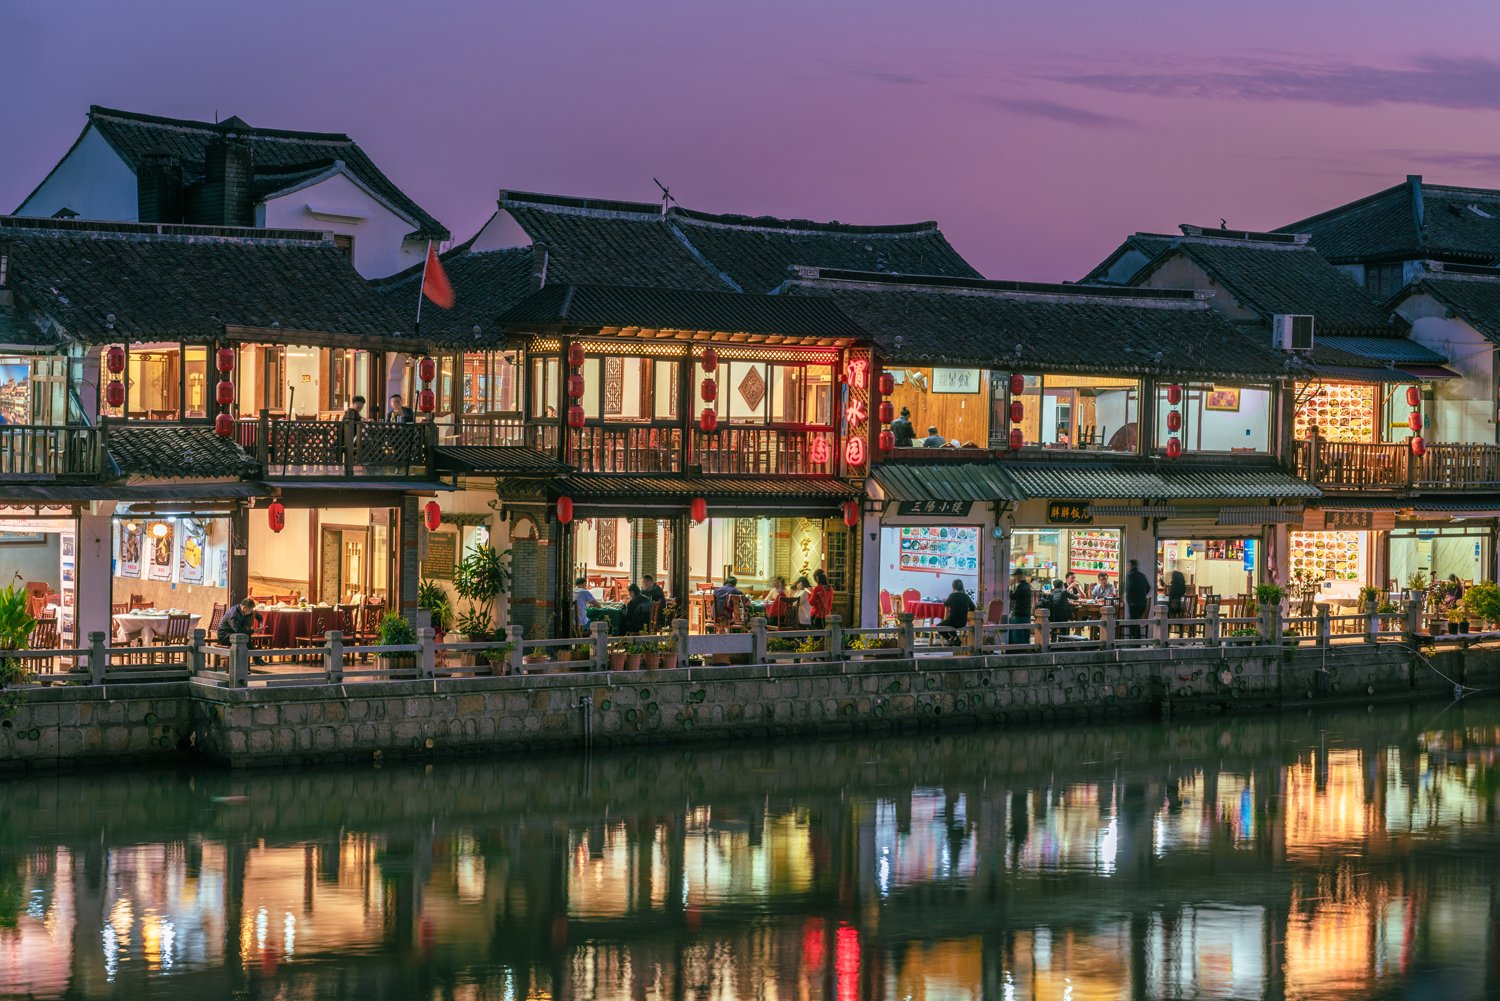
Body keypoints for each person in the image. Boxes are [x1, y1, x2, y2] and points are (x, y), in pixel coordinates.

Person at [939, 578, 976, 644]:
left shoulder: (952, 596)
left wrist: (944, 600)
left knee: (939, 627)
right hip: (962, 622)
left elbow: (946, 604)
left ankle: (950, 639)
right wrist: (965, 610)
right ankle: (956, 639)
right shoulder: (966, 597)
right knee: (949, 625)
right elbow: (973, 607)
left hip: (952, 621)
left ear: (953, 587)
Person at [1125, 559, 1151, 639]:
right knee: (1136, 622)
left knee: (1133, 623)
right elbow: (1148, 587)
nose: (1127, 567)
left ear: (1132, 566)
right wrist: (1142, 595)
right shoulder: (1142, 575)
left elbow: (1129, 588)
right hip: (1142, 603)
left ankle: (1134, 640)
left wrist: (1130, 598)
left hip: (1133, 603)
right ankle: (1136, 640)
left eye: (1128, 566)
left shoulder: (1130, 575)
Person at [1008, 569, 1033, 646]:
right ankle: (1026, 647)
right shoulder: (1027, 586)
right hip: (1026, 613)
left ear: (1018, 576)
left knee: (1017, 633)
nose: (1014, 578)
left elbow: (1013, 596)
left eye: (1015, 576)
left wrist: (1010, 586)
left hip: (1019, 613)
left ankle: (1018, 648)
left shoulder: (1021, 587)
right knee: (1025, 632)